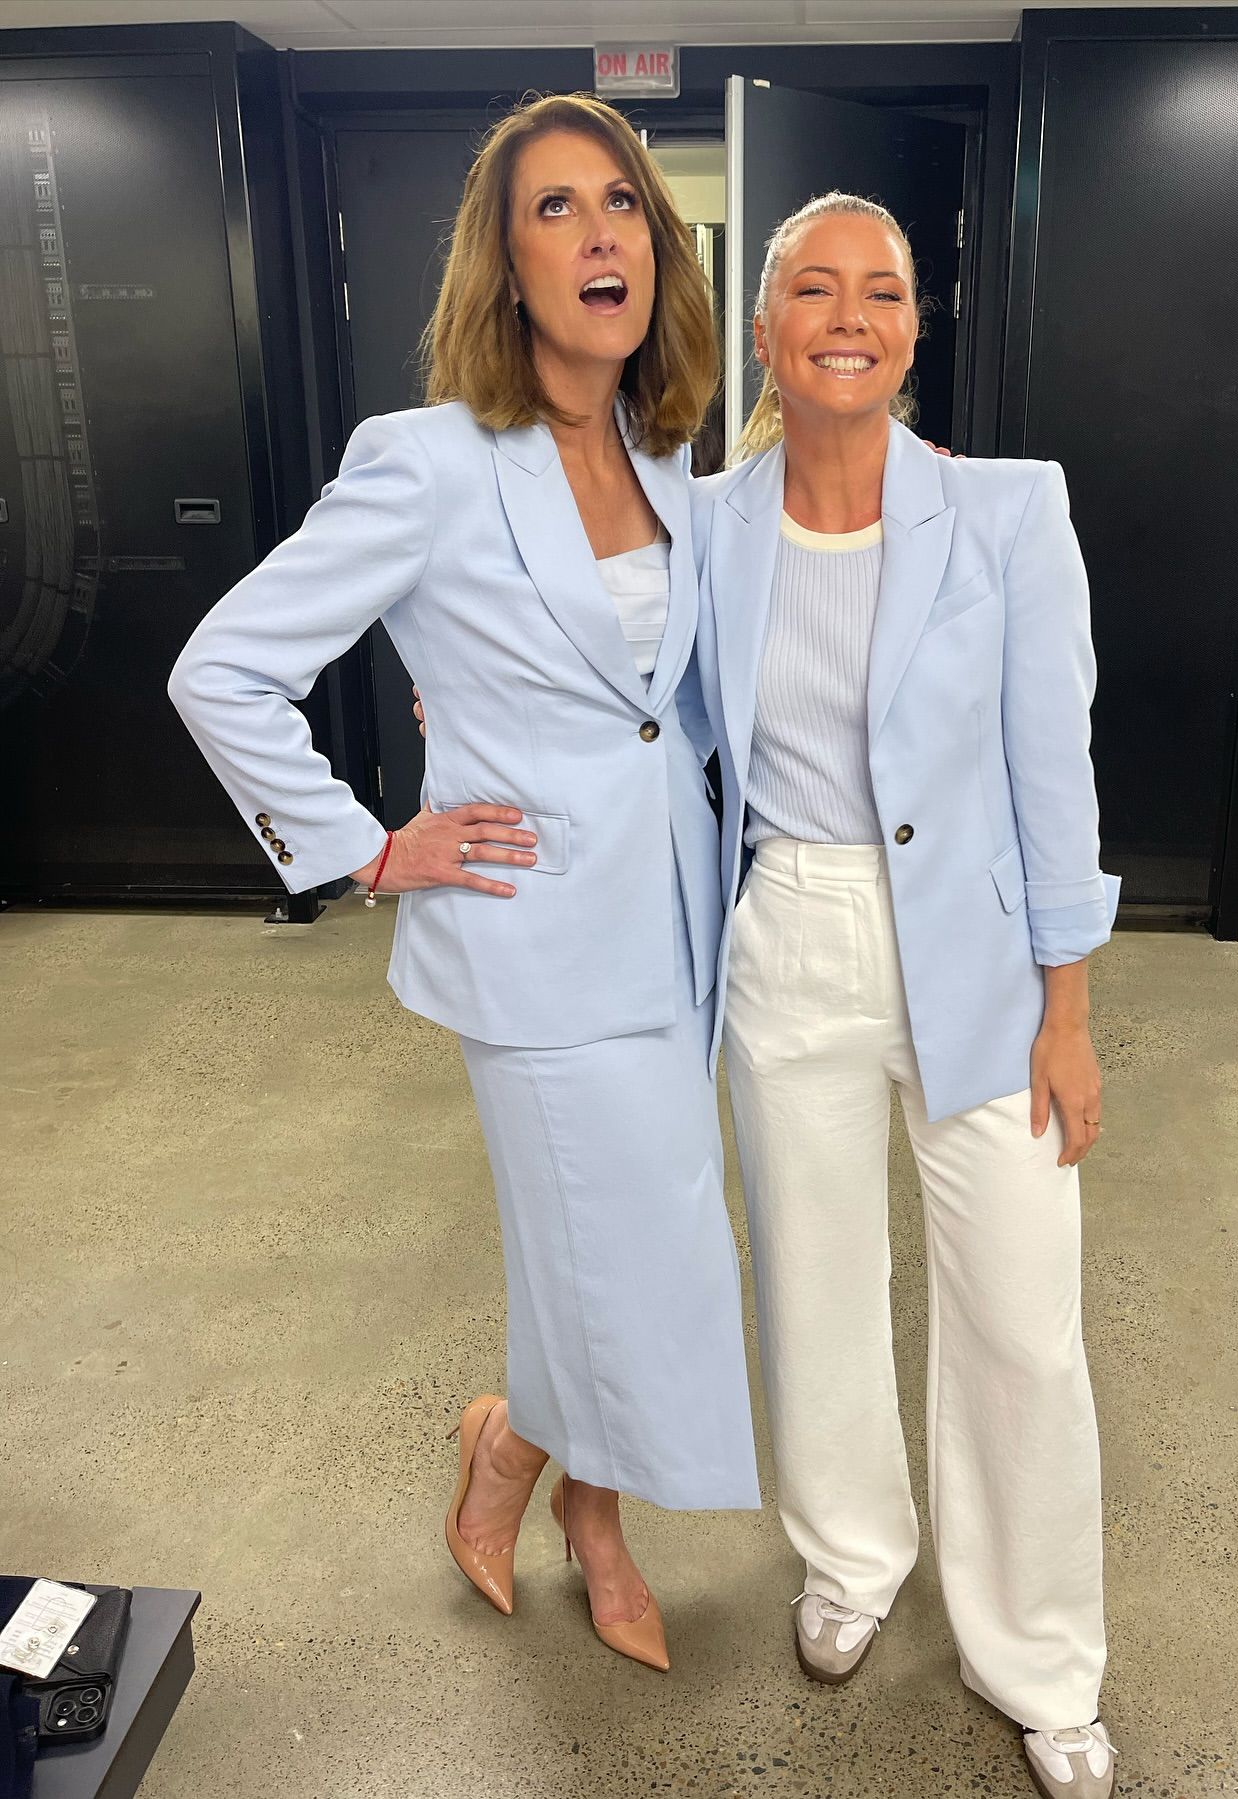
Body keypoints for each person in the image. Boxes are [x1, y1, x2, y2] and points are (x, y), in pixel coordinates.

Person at [167, 94, 760, 1676]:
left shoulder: (668, 453)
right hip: (535, 939)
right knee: (625, 1254)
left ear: (660, 249)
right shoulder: (427, 463)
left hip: (678, 930)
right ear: (505, 264)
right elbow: (222, 670)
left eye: (623, 203)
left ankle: (520, 1453)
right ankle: (579, 1509)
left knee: (619, 1245)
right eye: (556, 208)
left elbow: (670, 698)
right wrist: (364, 847)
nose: (599, 233)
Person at [690, 192, 1122, 1798]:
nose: (849, 317)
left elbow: (1054, 773)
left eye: (881, 291)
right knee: (814, 1285)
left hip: (978, 954)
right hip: (787, 934)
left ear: (914, 328)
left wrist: (1068, 1011)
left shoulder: (1006, 512)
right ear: (766, 330)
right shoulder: (704, 524)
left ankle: (1041, 1657)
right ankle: (851, 1556)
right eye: (815, 289)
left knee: (1021, 1318)